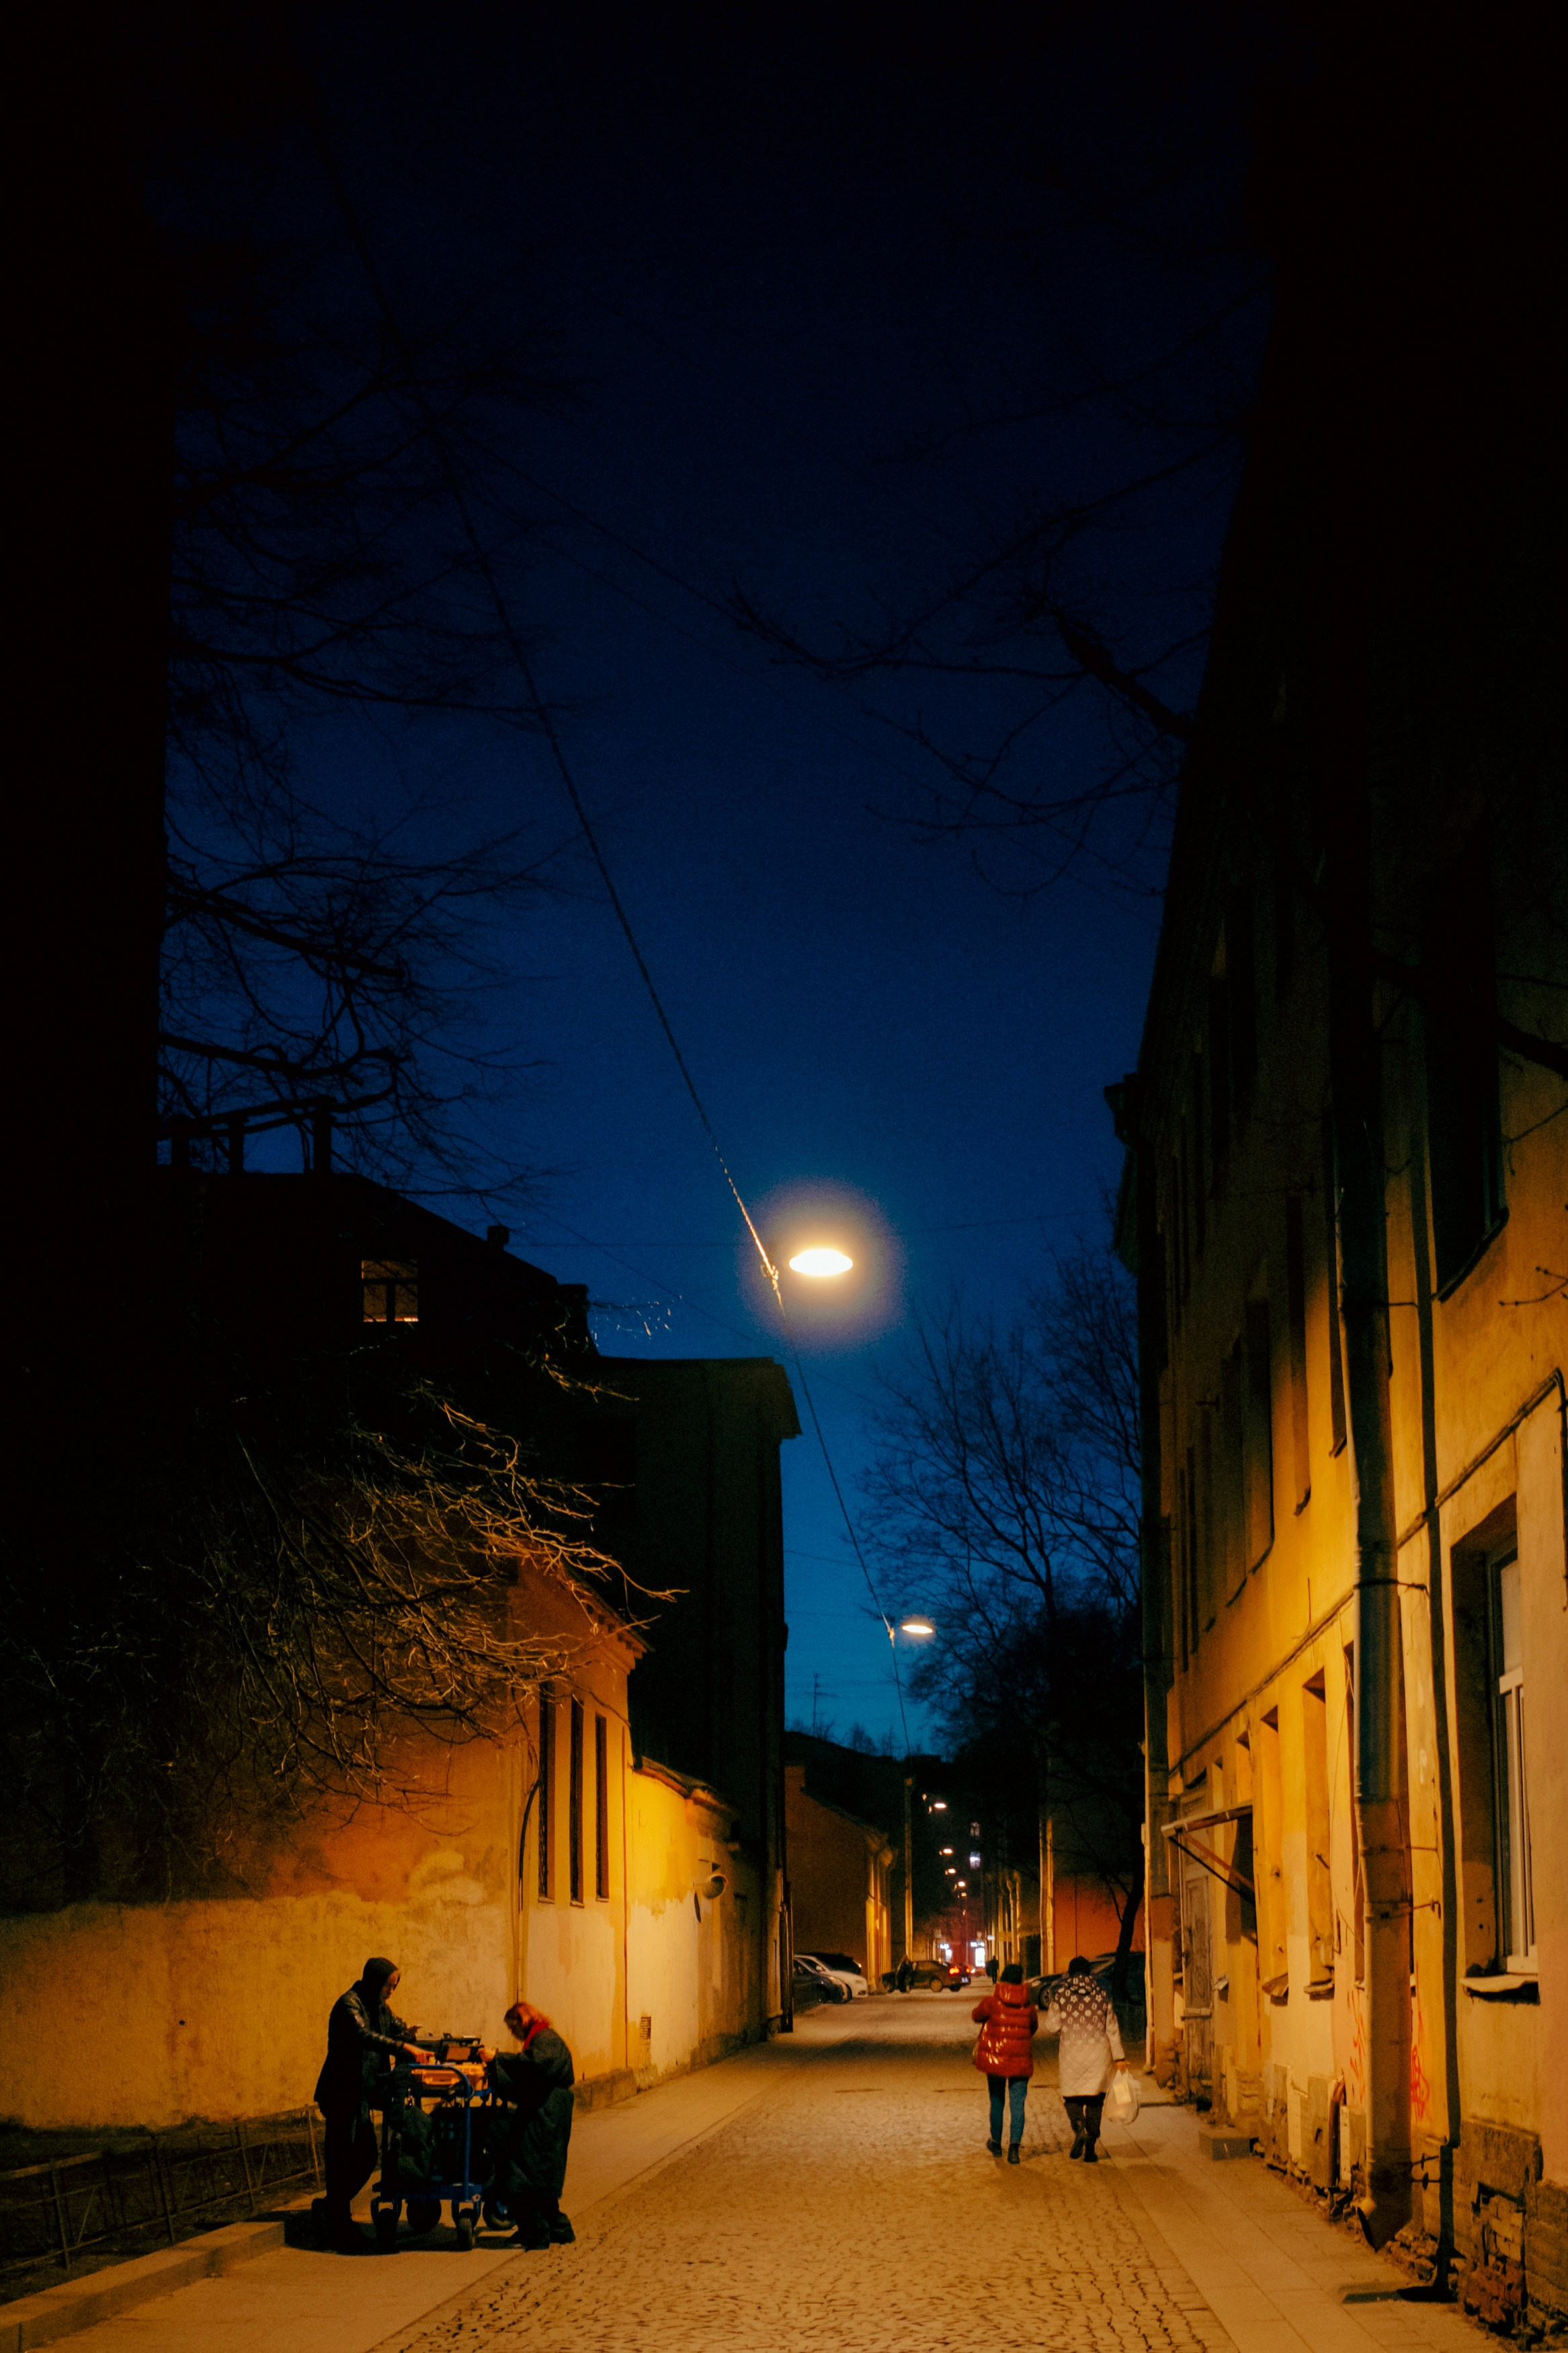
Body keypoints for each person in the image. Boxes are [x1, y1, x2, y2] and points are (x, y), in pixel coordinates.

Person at [314, 1958, 429, 2250]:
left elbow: (395, 2028)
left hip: (364, 2091)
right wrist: (403, 2046)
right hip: (343, 2092)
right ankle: (337, 2219)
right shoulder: (349, 2005)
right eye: (389, 1986)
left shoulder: (379, 2008)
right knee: (346, 2155)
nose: (392, 1992)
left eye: (395, 1986)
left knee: (364, 2155)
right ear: (374, 1981)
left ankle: (332, 2209)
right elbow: (363, 2036)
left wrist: (416, 2037)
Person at [487, 1999, 577, 2249]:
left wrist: (497, 2059)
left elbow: (532, 2067)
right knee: (541, 2175)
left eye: (512, 2027)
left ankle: (536, 2233)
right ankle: (559, 2229)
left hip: (545, 2115)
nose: (512, 2033)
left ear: (522, 2019)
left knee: (521, 2175)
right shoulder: (543, 2038)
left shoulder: (544, 2039)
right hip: (548, 2113)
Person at [1042, 1956, 1127, 2162]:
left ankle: (1079, 2127)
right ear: (1089, 1972)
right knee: (1095, 2101)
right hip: (1098, 2054)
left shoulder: (1060, 1994)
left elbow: (1052, 2026)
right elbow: (1112, 2028)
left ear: (1070, 1972)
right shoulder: (1102, 1993)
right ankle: (1091, 2148)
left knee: (1072, 2098)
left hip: (1072, 2054)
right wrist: (1120, 2058)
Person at [971, 1960, 1037, 2164]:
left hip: (995, 2061)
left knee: (997, 2101)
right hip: (1020, 2061)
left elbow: (976, 2016)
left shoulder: (991, 2003)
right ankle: (1014, 2150)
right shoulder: (1029, 2006)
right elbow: (1032, 2029)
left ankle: (997, 2144)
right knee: (1018, 2105)